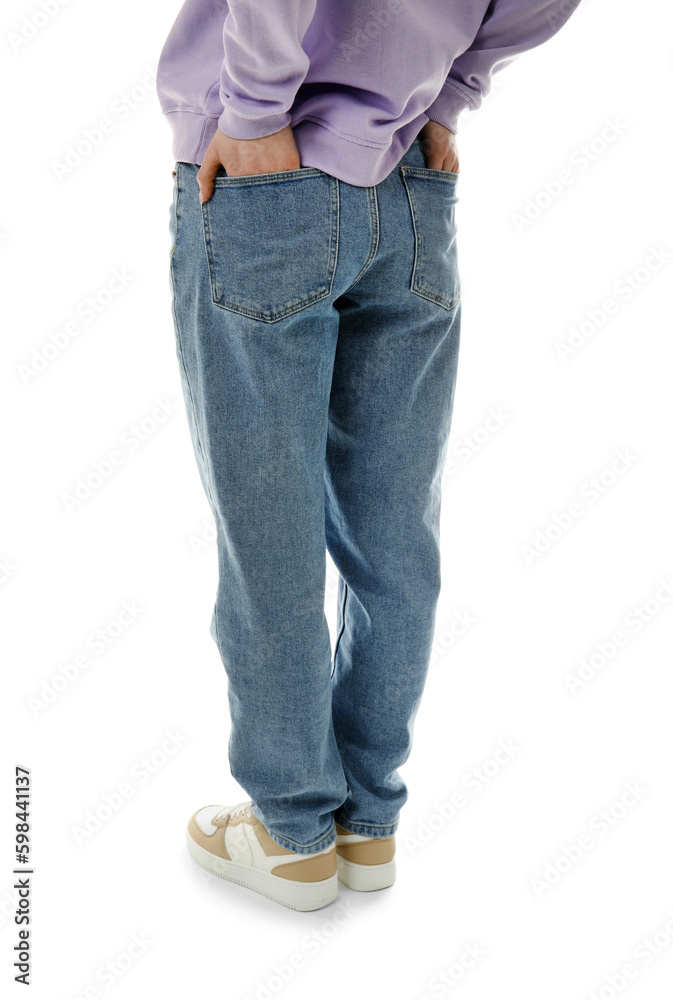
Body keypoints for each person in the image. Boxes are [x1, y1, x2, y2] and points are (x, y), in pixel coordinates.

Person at [157, 0, 582, 911]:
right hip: (411, 180)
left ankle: (290, 833)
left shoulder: (265, 121)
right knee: (396, 531)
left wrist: (258, 107)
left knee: (264, 528)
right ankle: (365, 822)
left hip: (272, 167)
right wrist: (453, 92)